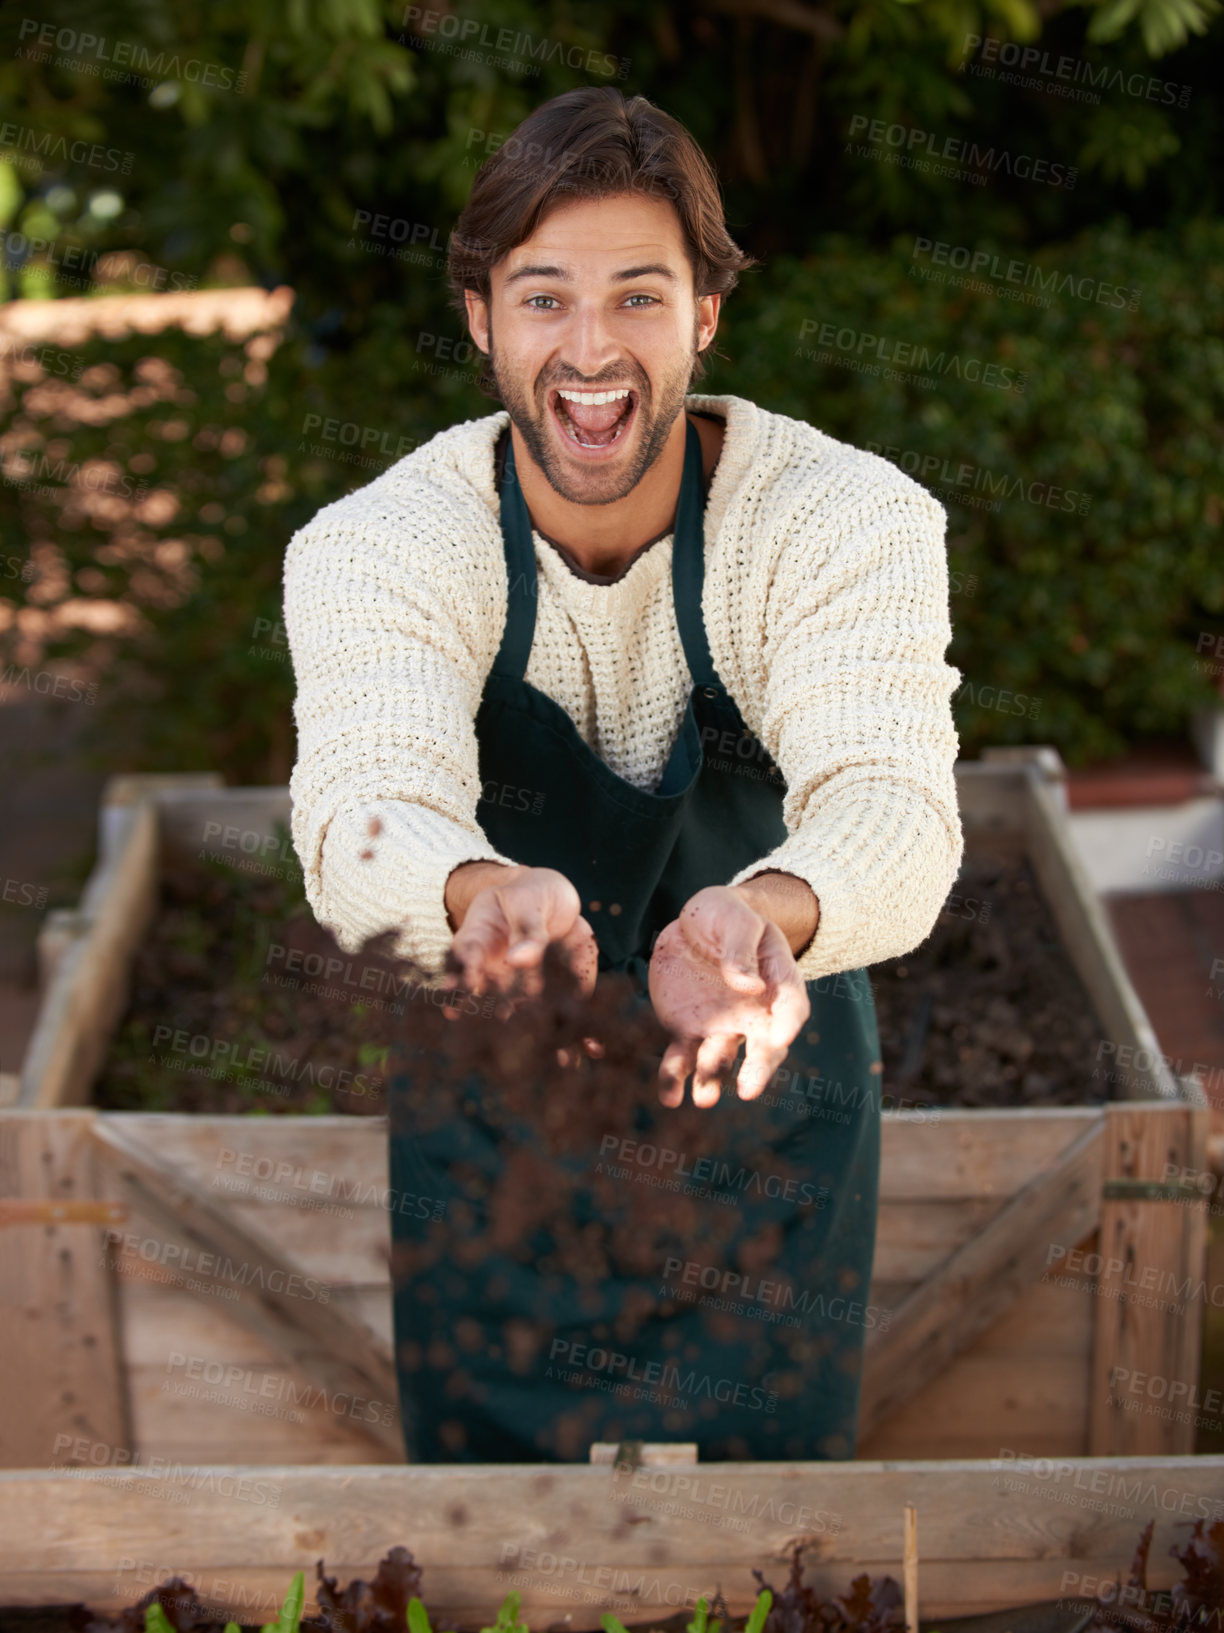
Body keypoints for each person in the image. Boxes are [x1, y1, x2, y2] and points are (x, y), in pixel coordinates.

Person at [284, 85, 964, 1464]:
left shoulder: (844, 520)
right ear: (477, 314)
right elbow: (361, 803)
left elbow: (893, 802)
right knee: (495, 1558)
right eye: (543, 299)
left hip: (764, 1089)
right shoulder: (378, 547)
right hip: (499, 1125)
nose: (590, 351)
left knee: (772, 1555)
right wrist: (474, 890)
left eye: (638, 298)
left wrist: (765, 915)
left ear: (707, 312)